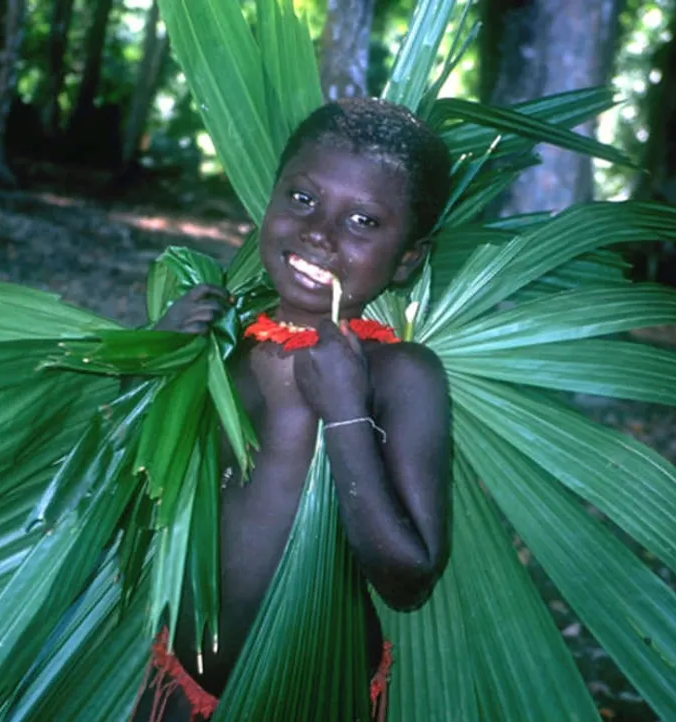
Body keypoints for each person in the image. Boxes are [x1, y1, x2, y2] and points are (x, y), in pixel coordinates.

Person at [130, 97, 455, 722]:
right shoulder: (226, 345)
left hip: (310, 699)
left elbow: (408, 578)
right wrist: (156, 358)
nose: (320, 233)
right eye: (303, 199)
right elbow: (136, 489)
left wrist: (346, 412)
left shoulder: (400, 373)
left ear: (408, 258)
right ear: (271, 199)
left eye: (362, 221)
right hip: (177, 685)